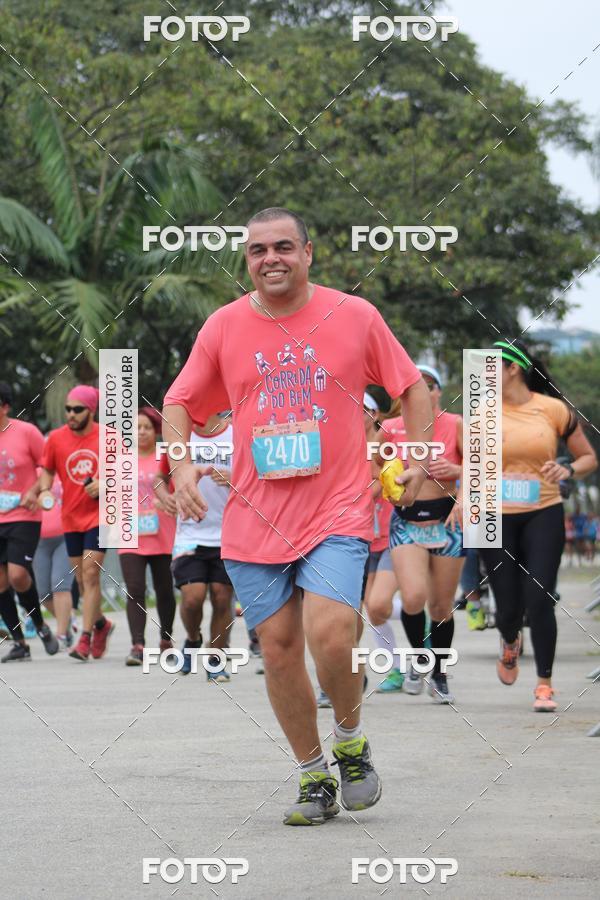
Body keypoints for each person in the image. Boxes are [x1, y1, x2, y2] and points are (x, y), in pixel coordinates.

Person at [162, 207, 431, 826]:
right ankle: (314, 776)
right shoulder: (224, 326)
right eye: (258, 250)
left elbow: (410, 387)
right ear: (247, 260)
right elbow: (178, 401)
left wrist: (415, 458)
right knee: (279, 649)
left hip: (336, 509)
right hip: (254, 517)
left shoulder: (354, 315)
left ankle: (351, 741)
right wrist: (179, 466)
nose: (271, 259)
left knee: (331, 633)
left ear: (309, 253)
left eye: (284, 246)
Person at [479, 340, 597, 712]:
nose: (483, 374)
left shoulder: (553, 409)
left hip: (543, 510)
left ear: (513, 368)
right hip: (493, 515)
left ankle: (544, 685)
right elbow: (471, 468)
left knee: (540, 596)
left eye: (490, 367)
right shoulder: (480, 413)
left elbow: (588, 457)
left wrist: (567, 469)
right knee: (507, 608)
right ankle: (510, 639)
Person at [371, 365, 464, 704]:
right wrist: (380, 480)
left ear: (439, 391)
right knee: (412, 598)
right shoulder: (393, 428)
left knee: (441, 606)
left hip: (447, 521)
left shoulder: (455, 424)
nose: (424, 391)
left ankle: (439, 674)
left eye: (430, 385)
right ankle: (420, 659)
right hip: (405, 522)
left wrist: (458, 473)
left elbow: (483, 465)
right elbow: (369, 459)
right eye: (415, 386)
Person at [36, 385, 114, 661]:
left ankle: (85, 637)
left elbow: (129, 474)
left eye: (77, 409)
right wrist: (44, 489)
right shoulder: (55, 439)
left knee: (91, 573)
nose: (70, 413)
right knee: (82, 579)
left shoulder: (109, 437)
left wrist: (106, 484)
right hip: (70, 518)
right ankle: (102, 624)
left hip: (101, 516)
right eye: (68, 408)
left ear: (91, 411)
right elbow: (47, 470)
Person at [156, 412, 234, 681]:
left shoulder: (237, 433)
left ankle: (217, 659)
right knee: (192, 599)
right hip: (190, 533)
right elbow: (158, 477)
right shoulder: (179, 435)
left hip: (229, 534)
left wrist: (235, 478)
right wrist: (164, 497)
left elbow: (258, 475)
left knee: (222, 597)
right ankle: (192, 638)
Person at [0, 382, 59, 661]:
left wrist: (34, 490)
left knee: (18, 575)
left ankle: (40, 626)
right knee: (0, 583)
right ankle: (20, 643)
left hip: (24, 514)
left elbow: (49, 467)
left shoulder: (26, 432)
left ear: (5, 406)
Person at [119, 408, 176, 665]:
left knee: (164, 590)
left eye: (146, 427)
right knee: (134, 590)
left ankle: (166, 638)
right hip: (131, 533)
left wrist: (170, 502)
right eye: (136, 427)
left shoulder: (166, 458)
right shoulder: (121, 460)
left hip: (162, 532)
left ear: (156, 431)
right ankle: (137, 645)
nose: (141, 431)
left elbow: (177, 490)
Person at [362, 393, 404, 694]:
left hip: (390, 532)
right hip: (362, 537)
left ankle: (424, 617)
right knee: (373, 608)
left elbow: (387, 479)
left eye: (366, 409)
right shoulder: (341, 441)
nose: (359, 414)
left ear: (376, 414)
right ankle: (395, 668)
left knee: (377, 603)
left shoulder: (384, 441)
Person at [33, 473, 74, 650]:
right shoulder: (30, 472)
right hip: (38, 540)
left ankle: (62, 634)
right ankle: (66, 621)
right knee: (43, 593)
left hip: (65, 536)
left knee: (60, 584)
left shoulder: (63, 467)